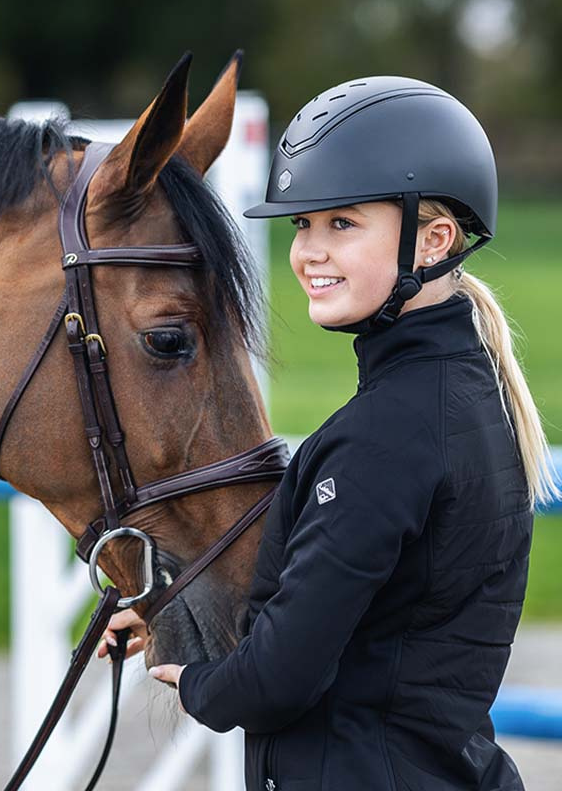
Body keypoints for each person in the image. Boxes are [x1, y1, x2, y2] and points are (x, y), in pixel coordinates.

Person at [98, 76, 560, 790]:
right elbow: (357, 612)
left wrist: (193, 681)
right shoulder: (469, 392)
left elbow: (278, 681)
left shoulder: (384, 434)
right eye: (301, 226)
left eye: (342, 224)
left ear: (434, 241)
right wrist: (173, 609)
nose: (309, 251)